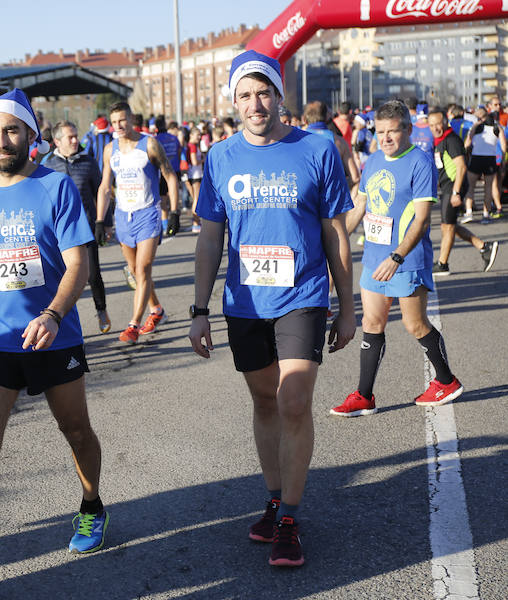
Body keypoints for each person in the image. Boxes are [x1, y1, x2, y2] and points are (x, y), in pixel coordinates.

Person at [0, 88, 106, 597]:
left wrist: (54, 312)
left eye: (11, 130)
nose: (2, 140)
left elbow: (79, 264)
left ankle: (92, 508)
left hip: (55, 336)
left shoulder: (55, 188)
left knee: (76, 430)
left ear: (31, 133)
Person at [188, 50, 356, 568]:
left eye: (264, 92)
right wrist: (198, 309)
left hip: (302, 296)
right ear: (234, 102)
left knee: (293, 401)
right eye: (245, 95)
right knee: (264, 403)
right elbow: (211, 237)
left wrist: (346, 306)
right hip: (244, 302)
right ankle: (274, 497)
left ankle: (289, 519)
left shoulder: (317, 149)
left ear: (279, 96)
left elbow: (335, 233)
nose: (255, 103)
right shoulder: (220, 157)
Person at [331, 100, 463, 419]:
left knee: (414, 324)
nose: (386, 137)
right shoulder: (374, 160)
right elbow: (359, 205)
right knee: (371, 323)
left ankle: (446, 381)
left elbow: (421, 219)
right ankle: (364, 396)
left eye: (393, 131)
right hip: (375, 256)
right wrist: (334, 242)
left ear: (406, 129)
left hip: (405, 258)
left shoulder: (419, 162)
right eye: (381, 131)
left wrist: (397, 256)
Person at [95, 101, 180, 344]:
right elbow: (104, 186)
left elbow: (169, 175)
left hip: (148, 213)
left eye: (122, 120)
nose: (118, 126)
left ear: (131, 119)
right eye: (113, 122)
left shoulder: (149, 144)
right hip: (123, 215)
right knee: (135, 271)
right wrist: (100, 220)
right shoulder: (110, 150)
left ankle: (133, 325)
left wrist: (174, 211)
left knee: (142, 270)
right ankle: (156, 310)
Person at [44, 121, 111, 334]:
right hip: (57, 233)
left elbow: (101, 192)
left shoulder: (88, 162)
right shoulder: (46, 165)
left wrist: (105, 222)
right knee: (60, 279)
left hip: (86, 229)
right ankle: (59, 320)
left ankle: (101, 310)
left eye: (76, 136)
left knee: (92, 275)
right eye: (70, 137)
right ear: (57, 141)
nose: (76, 140)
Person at [427, 109, 499, 276]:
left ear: (445, 122)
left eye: (438, 123)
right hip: (447, 186)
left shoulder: (451, 140)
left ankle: (443, 264)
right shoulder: (440, 140)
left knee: (448, 226)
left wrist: (456, 192)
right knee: (449, 224)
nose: (435, 128)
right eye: (431, 125)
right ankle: (483, 247)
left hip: (453, 187)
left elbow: (461, 167)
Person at [462, 105, 506, 223]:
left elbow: (467, 144)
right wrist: (501, 161)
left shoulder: (475, 127)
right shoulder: (498, 127)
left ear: (479, 117)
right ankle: (485, 215)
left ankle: (469, 212)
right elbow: (504, 146)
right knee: (488, 187)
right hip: (490, 159)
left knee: (470, 186)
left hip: (476, 158)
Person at [154, 115, 183, 233]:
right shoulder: (173, 138)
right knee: (174, 197)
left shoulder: (155, 140)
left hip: (162, 172)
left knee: (163, 199)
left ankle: (165, 225)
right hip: (175, 170)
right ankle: (174, 218)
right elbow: (179, 151)